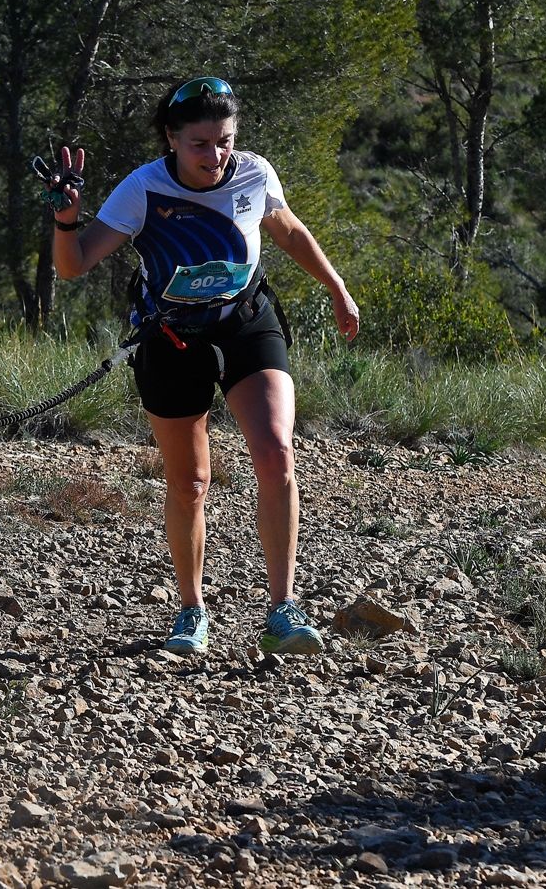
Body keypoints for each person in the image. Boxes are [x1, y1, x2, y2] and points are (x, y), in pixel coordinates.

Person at [48, 76, 360, 656]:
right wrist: (67, 218)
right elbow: (74, 265)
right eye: (200, 144)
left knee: (276, 453)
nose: (215, 156)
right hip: (170, 338)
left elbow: (287, 230)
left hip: (246, 323)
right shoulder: (142, 189)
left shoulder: (254, 172)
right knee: (191, 481)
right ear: (171, 137)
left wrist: (337, 288)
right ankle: (191, 610)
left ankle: (282, 609)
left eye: (225, 141)